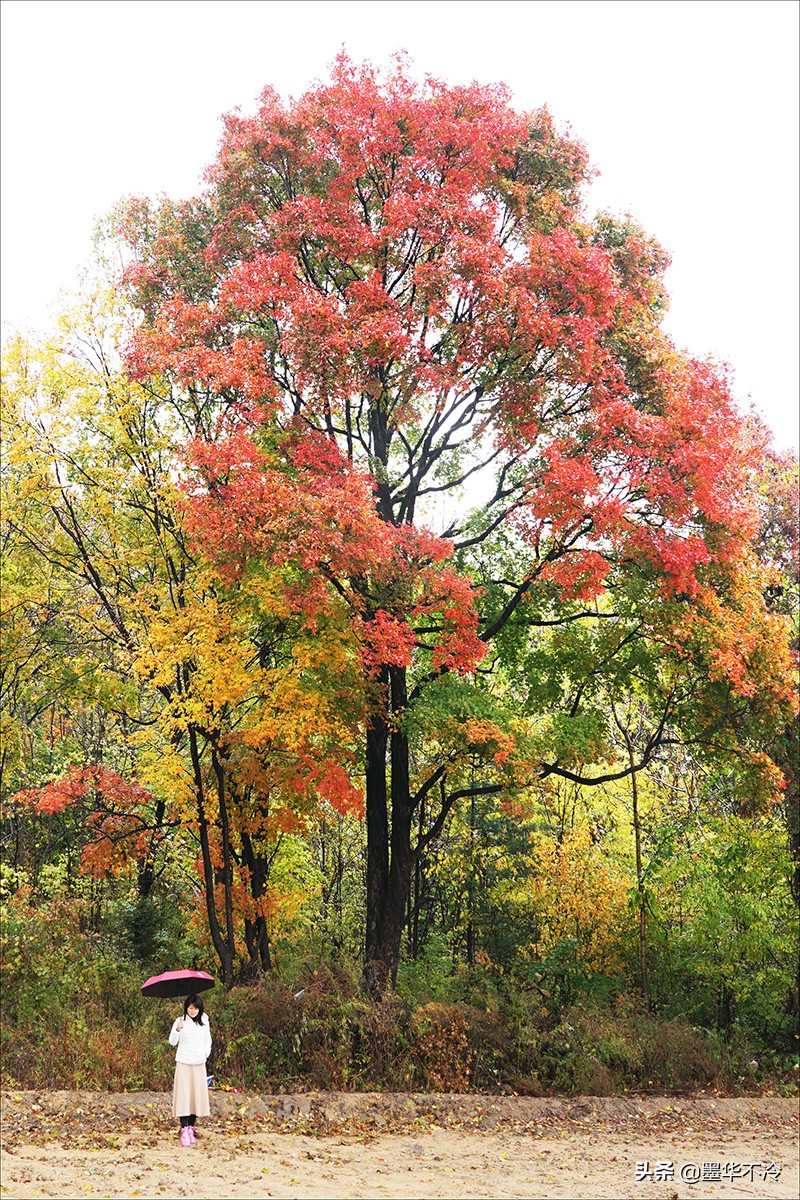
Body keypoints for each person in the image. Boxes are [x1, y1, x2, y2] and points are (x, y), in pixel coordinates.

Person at [169, 993, 212, 1146]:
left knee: (195, 1097)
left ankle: (191, 1128)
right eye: (190, 1008)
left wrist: (205, 1055)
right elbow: (172, 1042)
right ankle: (184, 1130)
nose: (193, 1011)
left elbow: (208, 1041)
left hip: (199, 1064)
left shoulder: (204, 1022)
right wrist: (177, 1030)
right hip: (184, 1063)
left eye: (196, 1008)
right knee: (184, 1096)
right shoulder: (180, 1022)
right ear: (186, 1008)